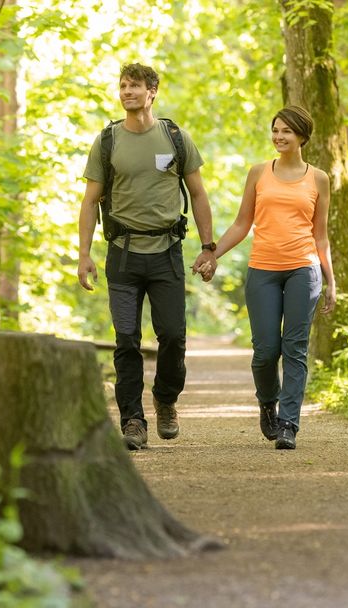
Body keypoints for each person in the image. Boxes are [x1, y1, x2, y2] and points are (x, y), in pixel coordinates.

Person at [77, 63, 216, 450]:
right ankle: (132, 422)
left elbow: (199, 194)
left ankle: (166, 398)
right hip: (122, 256)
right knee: (126, 341)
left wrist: (208, 247)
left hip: (167, 253)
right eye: (122, 86)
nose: (127, 92)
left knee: (173, 335)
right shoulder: (107, 141)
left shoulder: (174, 137)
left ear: (152, 91)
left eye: (135, 86)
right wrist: (84, 254)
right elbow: (90, 202)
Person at [194, 105, 336, 450]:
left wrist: (331, 281)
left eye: (286, 131)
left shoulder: (318, 178)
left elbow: (321, 235)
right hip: (263, 270)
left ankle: (289, 423)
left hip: (304, 268)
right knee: (265, 351)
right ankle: (267, 403)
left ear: (302, 136)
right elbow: (243, 224)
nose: (279, 136)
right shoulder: (258, 173)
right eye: (275, 129)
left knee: (295, 348)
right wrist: (212, 253)